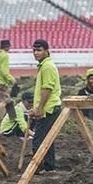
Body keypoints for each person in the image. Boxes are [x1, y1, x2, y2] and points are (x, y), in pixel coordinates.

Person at [29, 39, 62, 172]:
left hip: (48, 109)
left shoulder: (47, 66)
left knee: (38, 139)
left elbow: (47, 89)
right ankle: (49, 167)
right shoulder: (44, 65)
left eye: (39, 50)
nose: (36, 53)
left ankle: (38, 167)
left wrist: (40, 108)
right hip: (49, 108)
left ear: (47, 51)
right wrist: (37, 107)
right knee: (48, 139)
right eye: (34, 50)